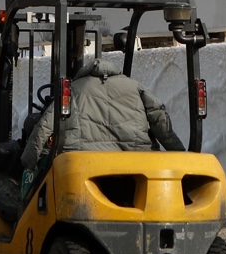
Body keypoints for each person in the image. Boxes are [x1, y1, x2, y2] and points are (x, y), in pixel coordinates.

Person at [22, 38, 184, 172]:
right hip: (134, 162)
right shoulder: (134, 86)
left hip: (83, 166)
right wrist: (179, 153)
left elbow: (44, 127)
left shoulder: (73, 90)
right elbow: (159, 118)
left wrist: (29, 161)